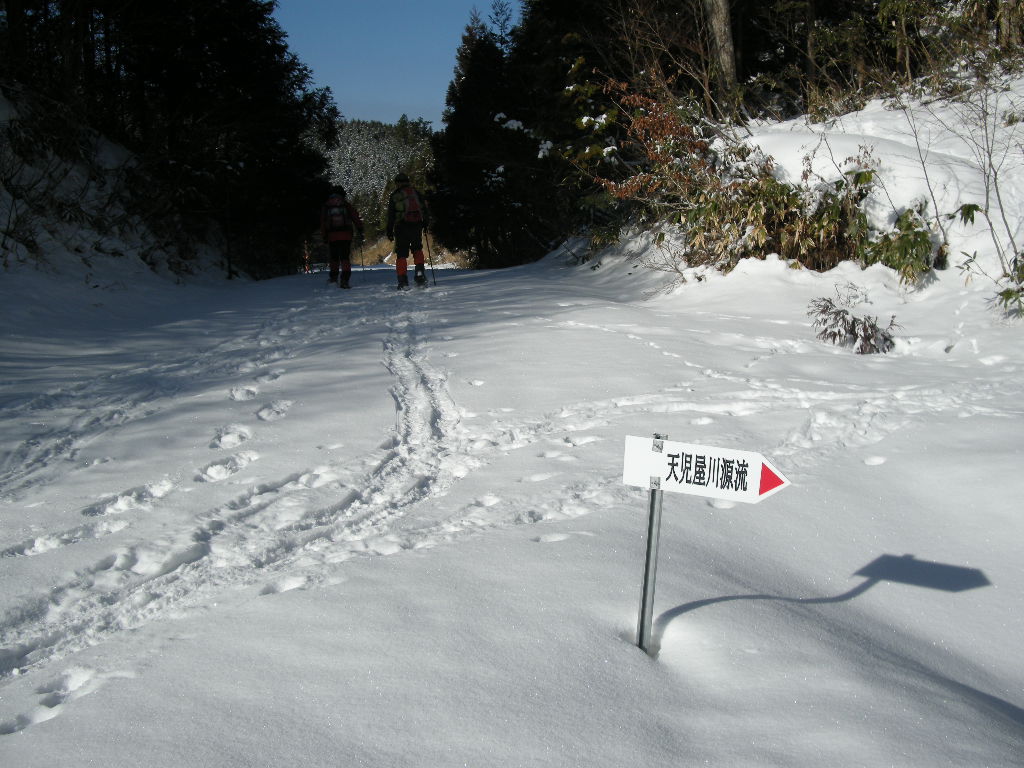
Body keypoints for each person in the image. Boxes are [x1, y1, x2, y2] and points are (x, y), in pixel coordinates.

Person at [386, 173, 429, 289]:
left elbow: (391, 215)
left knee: (401, 254)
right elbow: (424, 208)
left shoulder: (395, 195)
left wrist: (389, 230)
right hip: (416, 225)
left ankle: (403, 281)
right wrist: (425, 223)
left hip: (401, 227)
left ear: (397, 183)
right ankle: (420, 274)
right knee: (417, 249)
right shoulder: (415, 193)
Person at [320, 187, 364, 289]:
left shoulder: (327, 206)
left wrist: (324, 236)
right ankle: (345, 279)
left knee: (334, 257)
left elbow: (323, 222)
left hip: (332, 236)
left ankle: (334, 278)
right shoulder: (346, 204)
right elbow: (355, 217)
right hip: (346, 235)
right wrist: (360, 230)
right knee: (345, 257)